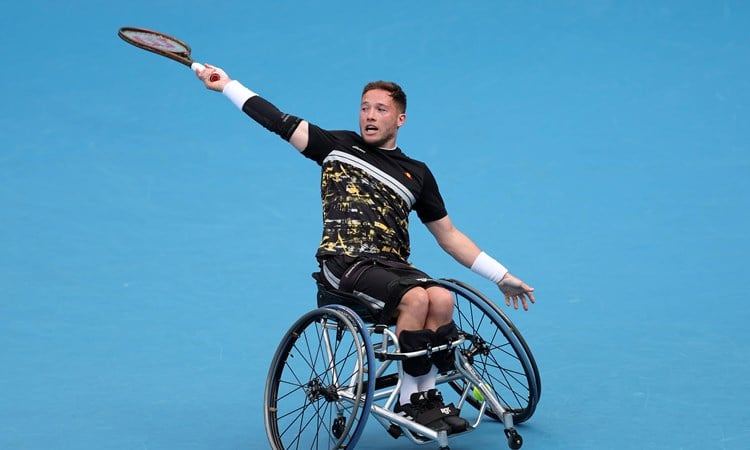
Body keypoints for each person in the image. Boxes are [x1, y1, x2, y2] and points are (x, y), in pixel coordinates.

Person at [195, 64, 536, 433]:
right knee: (417, 300)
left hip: (392, 268)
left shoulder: (417, 173)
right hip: (344, 264)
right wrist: (228, 85)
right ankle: (410, 402)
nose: (369, 115)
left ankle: (424, 396)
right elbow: (278, 120)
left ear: (400, 119)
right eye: (364, 107)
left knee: (441, 299)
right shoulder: (336, 146)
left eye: (380, 109)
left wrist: (501, 276)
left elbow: (449, 235)